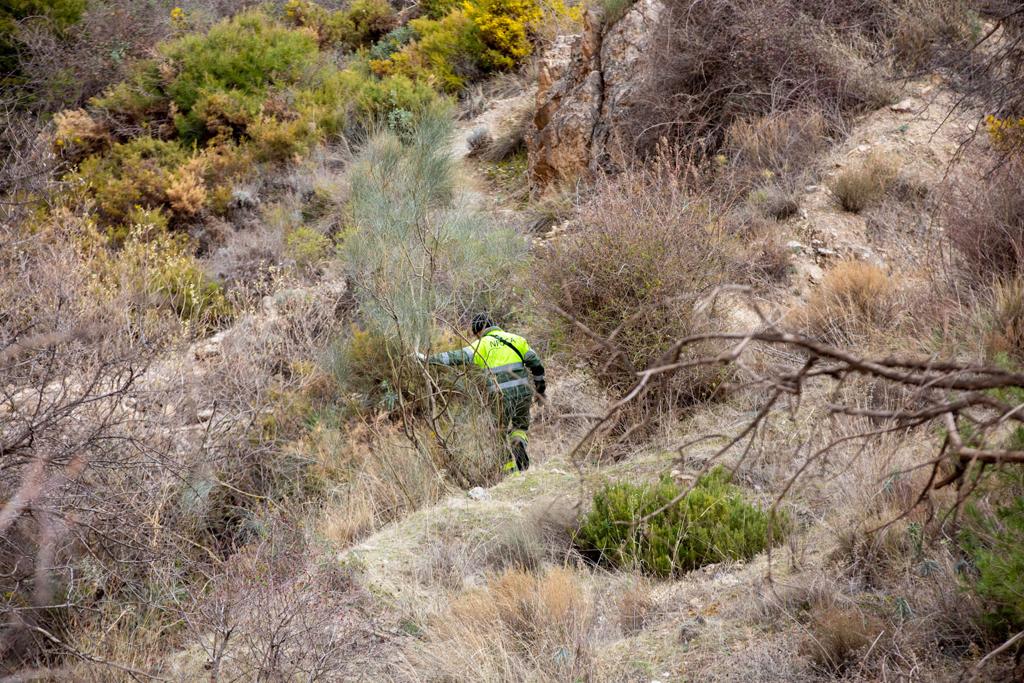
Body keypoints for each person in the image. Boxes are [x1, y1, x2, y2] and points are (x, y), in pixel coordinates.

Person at [417, 313, 545, 472]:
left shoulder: (481, 344)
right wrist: (540, 390)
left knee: (499, 433)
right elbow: (537, 365)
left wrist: (426, 358)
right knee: (520, 427)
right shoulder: (517, 339)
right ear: (493, 324)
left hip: (499, 395)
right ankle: (519, 445)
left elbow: (455, 357)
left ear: (478, 332)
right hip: (522, 391)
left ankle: (511, 472)